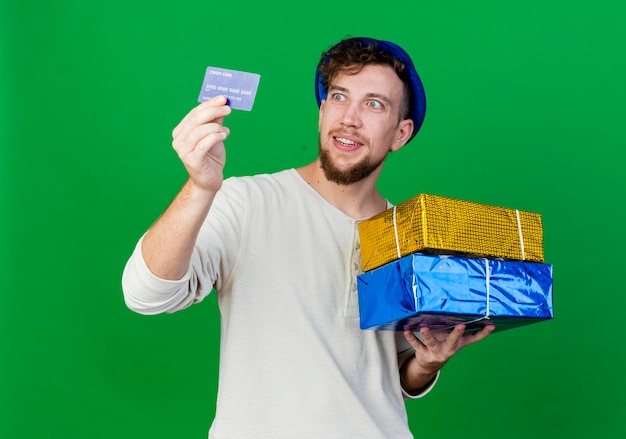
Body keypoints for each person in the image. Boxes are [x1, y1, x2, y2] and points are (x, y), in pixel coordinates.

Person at [122, 37, 494, 438]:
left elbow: (393, 374)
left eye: (373, 104)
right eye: (338, 96)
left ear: (400, 134)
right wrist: (198, 188)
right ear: (322, 111)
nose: (349, 118)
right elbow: (146, 295)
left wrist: (427, 363)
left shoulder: (408, 236)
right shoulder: (247, 201)